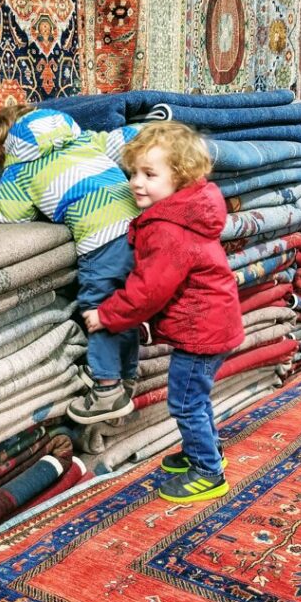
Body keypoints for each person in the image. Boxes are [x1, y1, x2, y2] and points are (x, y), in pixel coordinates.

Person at [83, 121, 244, 503]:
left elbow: (148, 290)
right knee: (196, 397)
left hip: (201, 332)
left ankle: (208, 471)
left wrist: (106, 315)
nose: (136, 183)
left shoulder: (169, 229)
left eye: (149, 175)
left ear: (180, 177)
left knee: (185, 401)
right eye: (133, 173)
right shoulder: (185, 213)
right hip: (213, 325)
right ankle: (205, 450)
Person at [0, 104, 141, 424]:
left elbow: (11, 216)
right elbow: (124, 140)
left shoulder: (19, 168)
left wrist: (0, 195)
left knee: (100, 311)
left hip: (100, 237)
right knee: (125, 308)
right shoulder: (83, 139)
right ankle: (126, 375)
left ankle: (107, 390)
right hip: (141, 227)